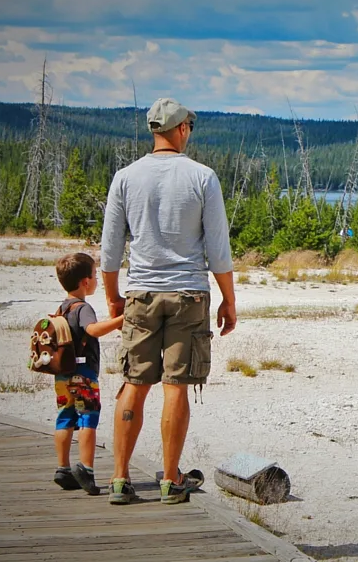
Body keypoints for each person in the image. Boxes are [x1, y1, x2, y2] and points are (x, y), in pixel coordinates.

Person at [100, 97, 236, 505]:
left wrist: (113, 299)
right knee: (176, 384)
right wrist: (229, 300)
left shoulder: (125, 177)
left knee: (134, 383)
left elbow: (109, 251)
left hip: (140, 292)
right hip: (188, 294)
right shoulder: (202, 177)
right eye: (189, 129)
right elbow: (218, 248)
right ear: (181, 130)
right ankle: (171, 479)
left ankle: (120, 479)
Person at [52, 253, 124, 495]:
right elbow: (92, 330)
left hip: (63, 375)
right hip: (83, 374)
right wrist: (120, 320)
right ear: (85, 281)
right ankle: (86, 469)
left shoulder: (61, 308)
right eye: (94, 276)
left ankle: (62, 468)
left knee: (65, 418)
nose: (96, 280)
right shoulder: (83, 308)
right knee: (87, 419)